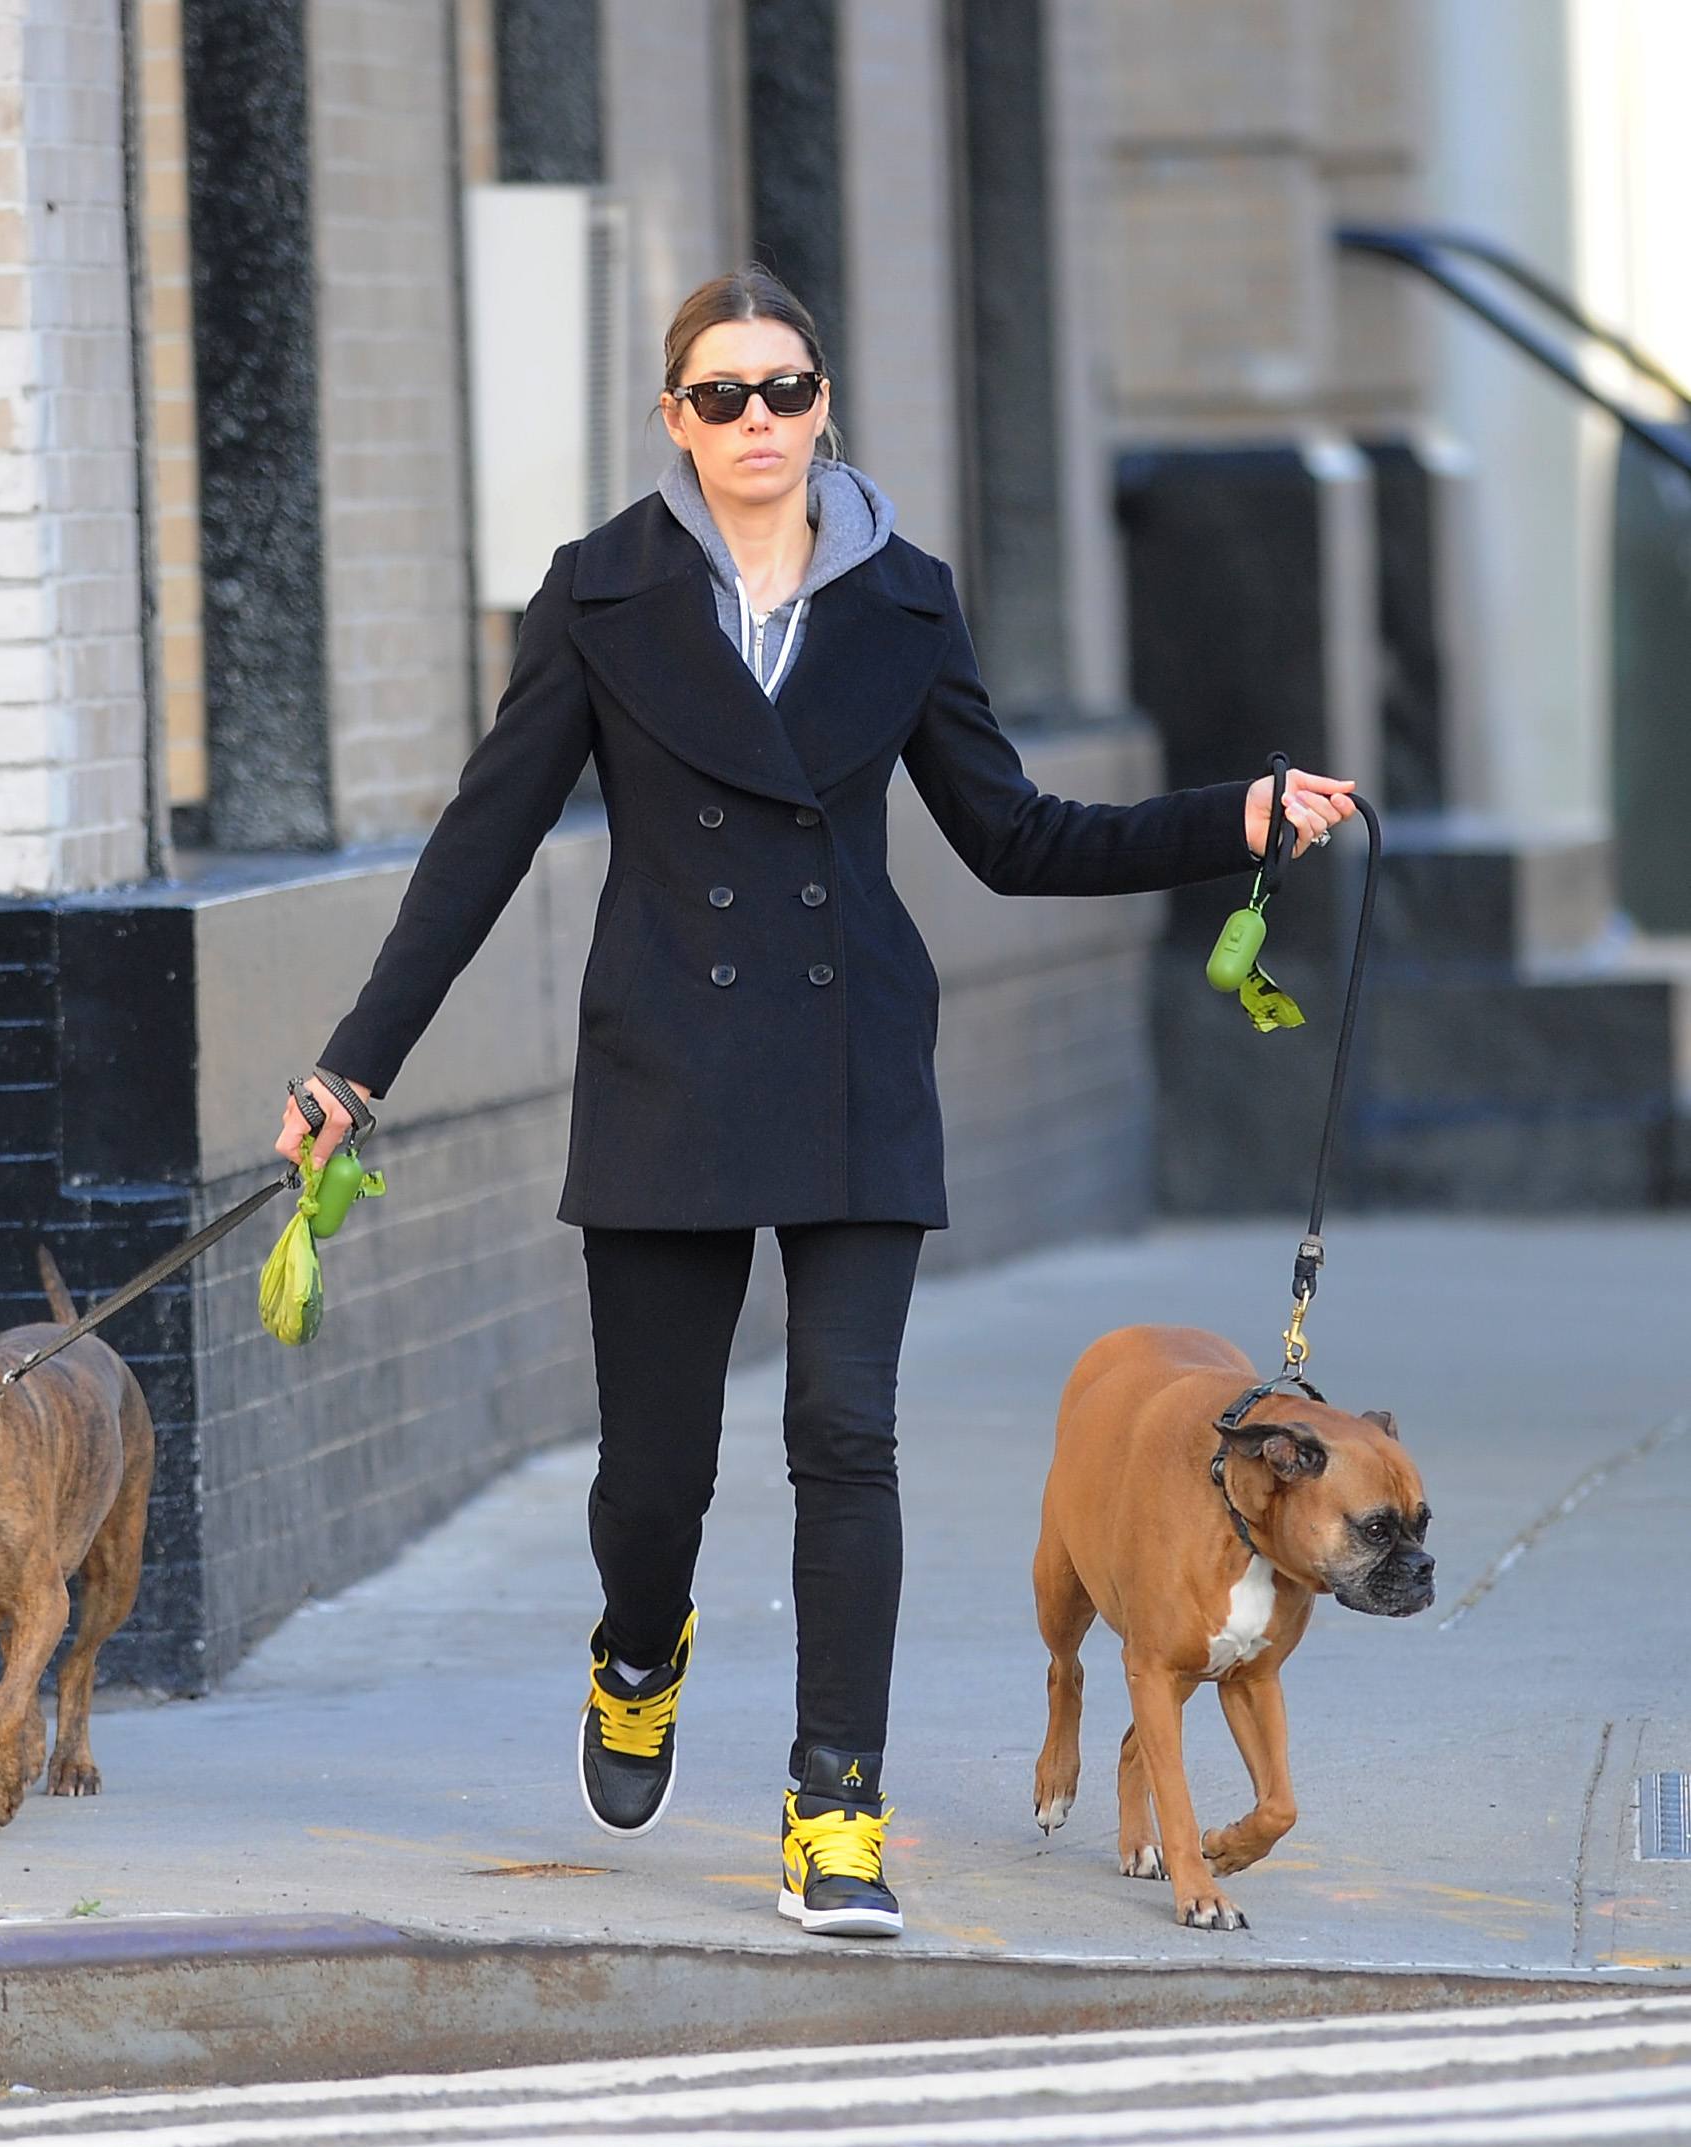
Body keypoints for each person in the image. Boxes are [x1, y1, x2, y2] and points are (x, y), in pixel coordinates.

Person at [277, 264, 1356, 1939]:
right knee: (658, 1472)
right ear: (672, 420)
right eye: (722, 396)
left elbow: (1012, 833)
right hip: (664, 1071)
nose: (758, 422)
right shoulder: (598, 596)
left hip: (855, 1066)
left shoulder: (903, 601)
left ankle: (833, 1804)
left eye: (785, 390)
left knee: (845, 1438)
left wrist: (1235, 816)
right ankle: (639, 1647)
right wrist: (355, 1064)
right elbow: (477, 850)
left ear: (823, 403)